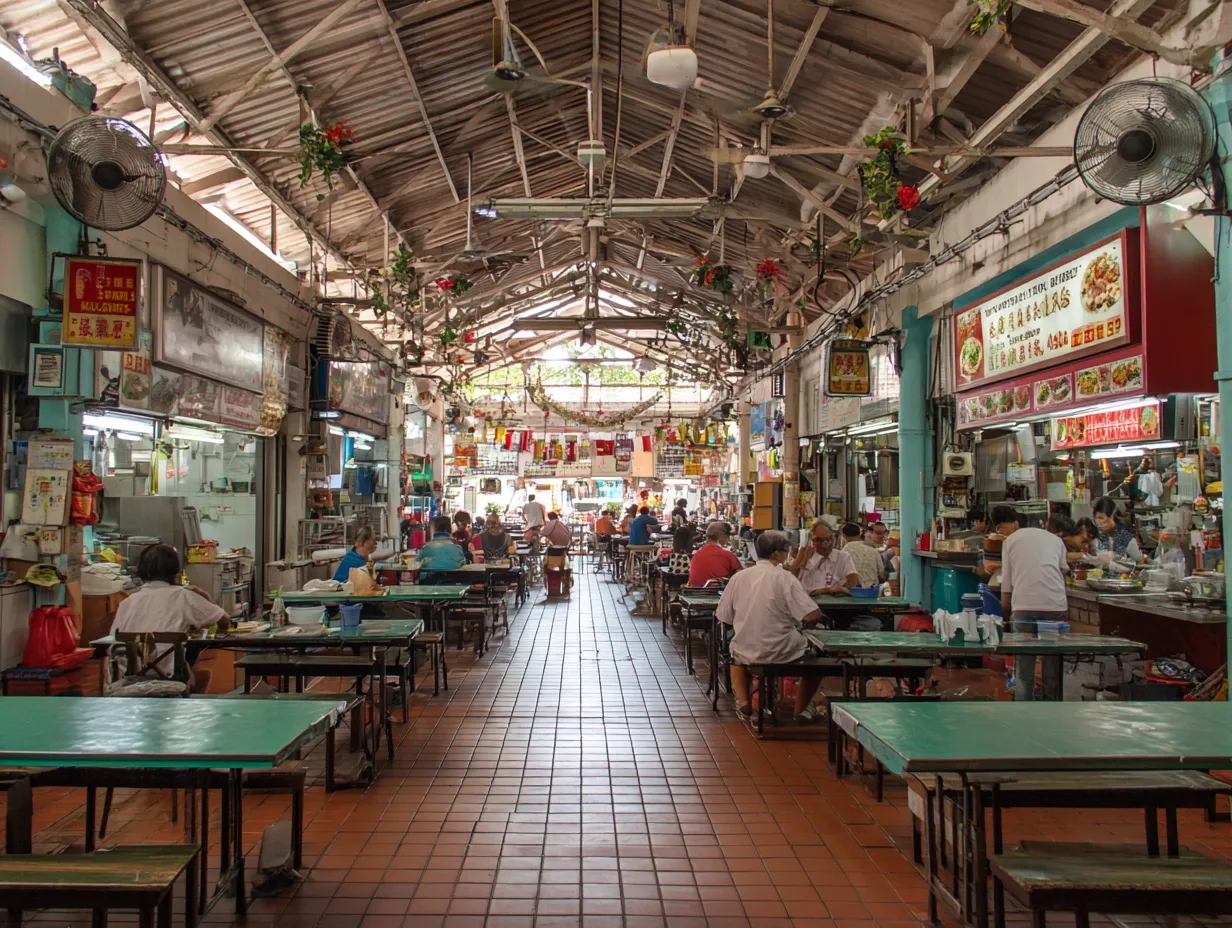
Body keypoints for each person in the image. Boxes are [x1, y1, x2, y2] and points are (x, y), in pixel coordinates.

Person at [717, 531, 824, 721]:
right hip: (782, 650)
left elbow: (724, 617)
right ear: (776, 554)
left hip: (746, 649)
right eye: (786, 550)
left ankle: (743, 702)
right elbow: (811, 614)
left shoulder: (739, 577)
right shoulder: (785, 578)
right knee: (819, 659)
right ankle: (800, 710)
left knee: (736, 653)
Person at [110, 544, 229, 686]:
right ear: (175, 570)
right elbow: (224, 620)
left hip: (128, 681)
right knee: (204, 673)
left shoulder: (128, 602)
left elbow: (112, 643)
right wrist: (205, 599)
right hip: (171, 680)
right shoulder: (183, 596)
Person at [994, 504, 1069, 701]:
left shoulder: (1010, 541)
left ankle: (1024, 711)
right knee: (1052, 666)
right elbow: (1063, 571)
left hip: (1024, 607)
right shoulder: (1056, 540)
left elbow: (1007, 583)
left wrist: (1006, 611)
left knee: (1024, 669)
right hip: (1054, 607)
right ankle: (1052, 710)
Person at [790, 522, 860, 595]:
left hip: (832, 602)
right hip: (807, 600)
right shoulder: (806, 553)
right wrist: (804, 560)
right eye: (819, 540)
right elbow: (792, 579)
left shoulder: (843, 557)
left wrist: (831, 590)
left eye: (828, 539)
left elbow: (853, 583)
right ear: (812, 541)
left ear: (833, 539)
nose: (825, 543)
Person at [689, 522, 743, 587]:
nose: (728, 539)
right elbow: (741, 578)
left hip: (694, 594)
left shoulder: (696, 555)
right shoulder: (727, 555)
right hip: (717, 595)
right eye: (728, 536)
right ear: (722, 536)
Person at [1092, 497, 1143, 561]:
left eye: (1101, 518)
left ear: (1111, 516)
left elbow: (1139, 561)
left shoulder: (1126, 537)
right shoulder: (1098, 536)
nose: (1098, 522)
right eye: (1096, 518)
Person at [417, 515, 467, 581]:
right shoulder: (457, 548)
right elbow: (463, 565)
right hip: (453, 586)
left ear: (434, 529)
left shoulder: (426, 549)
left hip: (428, 586)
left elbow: (415, 565)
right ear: (449, 529)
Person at [843, 523, 884, 589]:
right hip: (872, 592)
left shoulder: (843, 553)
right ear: (860, 533)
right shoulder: (873, 551)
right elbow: (881, 573)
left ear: (844, 536)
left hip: (852, 593)